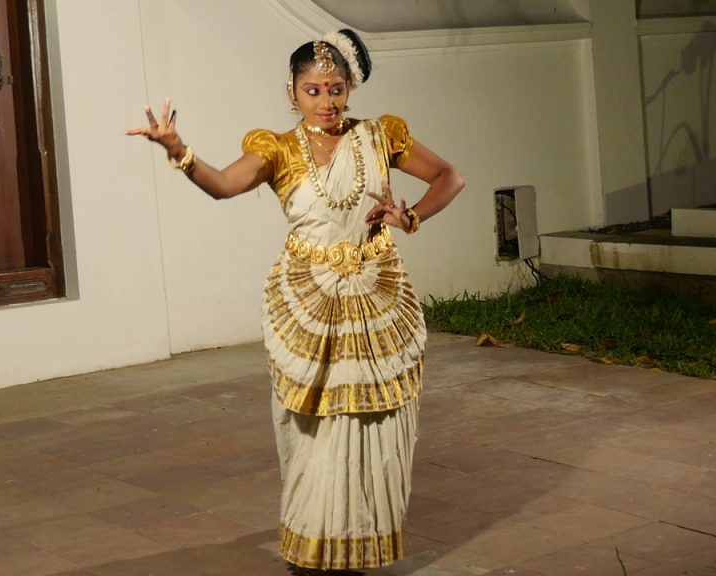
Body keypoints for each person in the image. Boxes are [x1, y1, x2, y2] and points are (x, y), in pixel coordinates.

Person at [127, 28, 465, 573]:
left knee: (379, 420)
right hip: (311, 300)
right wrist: (179, 152)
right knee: (311, 426)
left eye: (336, 89)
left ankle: (362, 544)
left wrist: (410, 216)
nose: (327, 102)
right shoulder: (277, 148)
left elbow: (452, 176)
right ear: (293, 92)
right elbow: (222, 185)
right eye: (313, 90)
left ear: (350, 88)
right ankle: (312, 549)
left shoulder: (382, 136)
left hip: (377, 293)